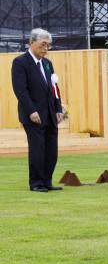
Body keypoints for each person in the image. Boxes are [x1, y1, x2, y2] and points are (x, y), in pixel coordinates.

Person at [11, 28, 64, 192]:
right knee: (37, 150)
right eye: (43, 44)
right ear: (31, 42)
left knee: (51, 150)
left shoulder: (48, 64)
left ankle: (47, 181)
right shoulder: (20, 62)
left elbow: (54, 87)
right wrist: (31, 111)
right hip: (33, 114)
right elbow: (20, 90)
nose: (46, 48)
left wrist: (58, 108)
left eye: (48, 45)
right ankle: (36, 183)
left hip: (50, 113)